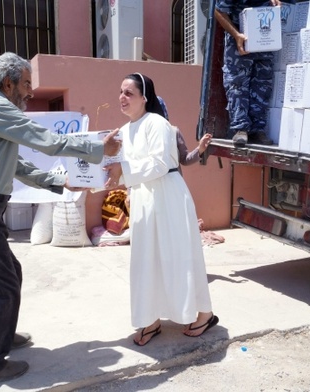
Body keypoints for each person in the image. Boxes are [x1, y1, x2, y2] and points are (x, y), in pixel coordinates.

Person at [0, 52, 121, 387]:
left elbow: (17, 166)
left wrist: (58, 181)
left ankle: (2, 337)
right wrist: (96, 150)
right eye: (25, 84)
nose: (29, 92)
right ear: (7, 84)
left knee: (9, 275)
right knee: (2, 290)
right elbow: (46, 140)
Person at [104, 73, 218, 346]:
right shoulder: (123, 131)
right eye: (120, 92)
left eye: (129, 93)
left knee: (180, 256)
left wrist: (123, 172)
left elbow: (157, 165)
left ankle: (204, 313)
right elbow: (120, 169)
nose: (122, 97)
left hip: (168, 196)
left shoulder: (158, 124)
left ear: (145, 97)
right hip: (144, 198)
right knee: (146, 260)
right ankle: (151, 319)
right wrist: (113, 181)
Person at [215, 0, 281, 147]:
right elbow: (219, 12)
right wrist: (237, 35)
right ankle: (240, 129)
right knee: (237, 84)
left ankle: (257, 130)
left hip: (264, 38)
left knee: (262, 84)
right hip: (239, 39)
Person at [157, 96, 212, 173]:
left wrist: (200, 149)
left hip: (171, 182)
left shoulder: (173, 132)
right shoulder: (140, 134)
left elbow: (185, 159)